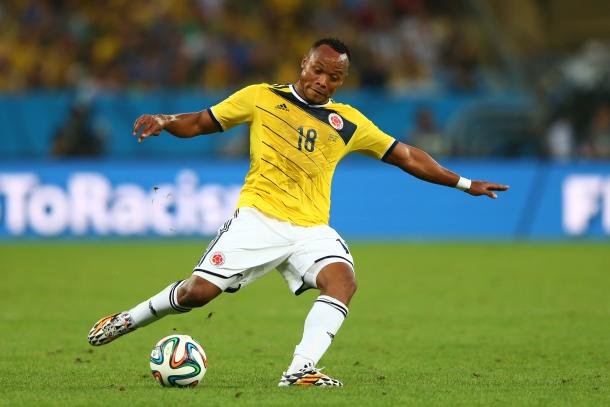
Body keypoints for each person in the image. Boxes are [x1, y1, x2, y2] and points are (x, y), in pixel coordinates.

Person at [88, 38, 508, 387]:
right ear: (302, 65)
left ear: (342, 82)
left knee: (342, 282)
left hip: (310, 228)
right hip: (258, 219)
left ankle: (299, 370)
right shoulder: (260, 98)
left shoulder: (348, 122)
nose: (323, 82)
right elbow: (200, 122)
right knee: (197, 294)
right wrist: (165, 119)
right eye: (317, 71)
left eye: (334, 77)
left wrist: (465, 183)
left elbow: (408, 156)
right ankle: (129, 319)